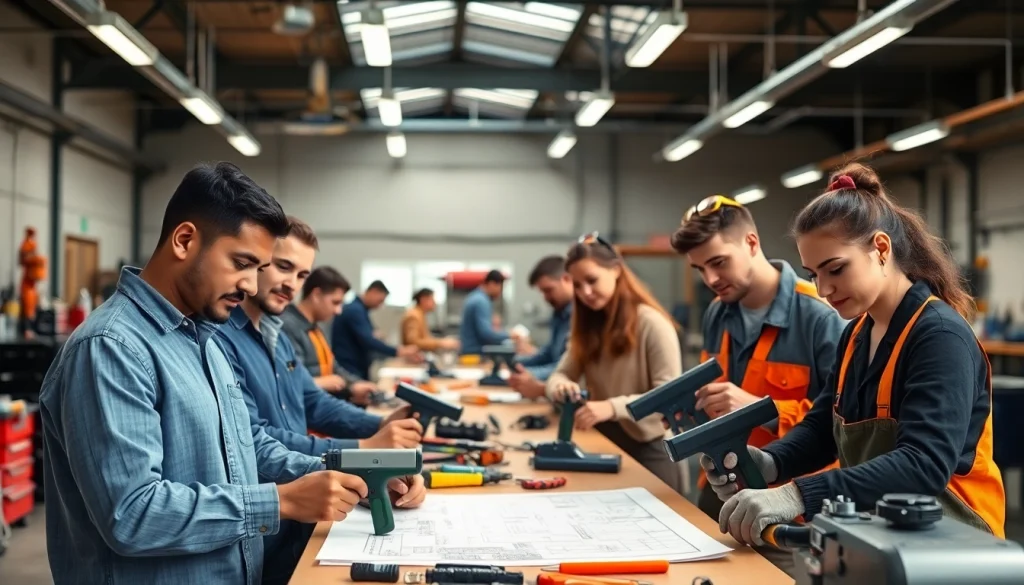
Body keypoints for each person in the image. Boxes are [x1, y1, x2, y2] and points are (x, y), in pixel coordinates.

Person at [35, 163, 386, 585]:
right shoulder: (110, 348)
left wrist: (353, 474)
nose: (251, 285)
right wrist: (280, 502)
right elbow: (132, 514)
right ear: (184, 240)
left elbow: (248, 446)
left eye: (258, 269)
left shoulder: (206, 339)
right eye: (242, 263)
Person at [708, 164, 1006, 550]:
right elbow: (821, 430)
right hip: (885, 538)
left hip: (955, 548)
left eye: (835, 269)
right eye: (813, 275)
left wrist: (796, 495)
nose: (824, 289)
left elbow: (923, 464)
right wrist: (769, 463)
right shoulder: (856, 335)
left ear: (881, 248)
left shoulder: (939, 336)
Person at [216, 216, 425, 584]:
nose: (292, 284)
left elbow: (315, 402)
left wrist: (380, 425)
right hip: (264, 527)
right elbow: (254, 439)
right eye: (283, 267)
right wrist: (363, 451)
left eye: (301, 274)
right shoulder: (221, 339)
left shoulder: (277, 335)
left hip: (302, 519)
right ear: (257, 260)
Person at [670, 195, 846, 520]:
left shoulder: (823, 317)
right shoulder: (716, 313)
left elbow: (841, 424)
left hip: (794, 505)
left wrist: (760, 410)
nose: (710, 279)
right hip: (724, 486)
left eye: (719, 262)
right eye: (700, 268)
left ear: (751, 243)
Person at [546, 233, 685, 493]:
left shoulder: (652, 324)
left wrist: (612, 407)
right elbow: (558, 376)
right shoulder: (587, 329)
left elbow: (669, 397)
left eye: (592, 280)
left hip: (650, 449)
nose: (585, 292)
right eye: (577, 285)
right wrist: (560, 387)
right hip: (605, 445)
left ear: (617, 270)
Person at [279, 266, 378, 405]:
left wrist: (354, 385)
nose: (338, 311)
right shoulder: (288, 326)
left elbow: (332, 366)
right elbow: (291, 379)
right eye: (335, 302)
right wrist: (324, 383)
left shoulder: (316, 327)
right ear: (316, 295)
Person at [508, 256, 574, 399]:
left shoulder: (579, 317)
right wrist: (516, 363)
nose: (546, 297)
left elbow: (567, 368)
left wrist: (531, 374)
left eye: (549, 290)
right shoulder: (559, 313)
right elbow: (549, 352)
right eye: (542, 292)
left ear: (567, 279)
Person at [332, 280, 421, 380]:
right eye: (380, 301)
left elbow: (372, 336)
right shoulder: (355, 310)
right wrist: (398, 351)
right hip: (350, 367)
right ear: (373, 292)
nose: (380, 305)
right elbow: (369, 340)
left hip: (355, 365)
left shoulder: (360, 310)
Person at [459, 269, 512, 355]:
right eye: (500, 288)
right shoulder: (481, 301)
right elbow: (487, 335)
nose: (500, 293)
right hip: (474, 353)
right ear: (492, 284)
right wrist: (510, 334)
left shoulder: (475, 297)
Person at [402, 288, 460, 353]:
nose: (434, 303)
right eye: (432, 299)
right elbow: (413, 342)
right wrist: (441, 343)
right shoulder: (413, 316)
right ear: (423, 300)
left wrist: (442, 341)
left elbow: (424, 338)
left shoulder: (420, 314)